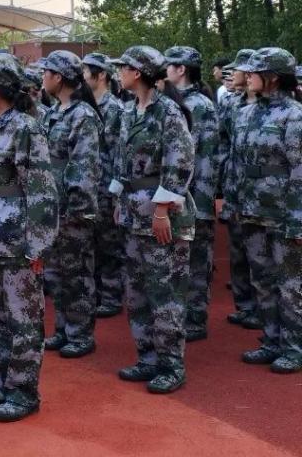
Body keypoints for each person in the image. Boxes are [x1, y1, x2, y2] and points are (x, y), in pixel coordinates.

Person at [0, 54, 58, 422]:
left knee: (23, 318)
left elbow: (41, 190)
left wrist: (37, 244)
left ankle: (23, 391)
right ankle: (3, 384)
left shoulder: (25, 128)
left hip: (17, 241)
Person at [111, 46, 195, 394]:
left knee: (165, 292)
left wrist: (162, 210)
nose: (119, 72)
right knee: (137, 291)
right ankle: (147, 358)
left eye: (124, 67)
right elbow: (120, 161)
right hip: (134, 212)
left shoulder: (167, 112)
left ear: (139, 73)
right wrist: (118, 198)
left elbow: (180, 163)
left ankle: (171, 365)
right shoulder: (130, 110)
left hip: (161, 215)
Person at [233, 48, 302, 374]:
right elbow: (237, 163)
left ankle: (294, 347)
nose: (247, 76)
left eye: (254, 71)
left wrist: (298, 220)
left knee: (290, 283)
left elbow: (299, 170)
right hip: (252, 210)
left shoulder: (294, 116)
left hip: (284, 214)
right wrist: (234, 202)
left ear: (273, 77)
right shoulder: (245, 113)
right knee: (262, 279)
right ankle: (271, 340)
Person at [41, 50, 102, 359]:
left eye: (46, 72)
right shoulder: (54, 113)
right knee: (57, 274)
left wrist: (76, 209)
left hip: (73, 210)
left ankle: (80, 334)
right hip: (53, 207)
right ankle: (64, 328)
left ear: (59, 77)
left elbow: (84, 167)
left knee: (76, 274)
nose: (42, 77)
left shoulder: (82, 116)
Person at [165, 47, 220, 342]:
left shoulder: (199, 105)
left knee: (197, 259)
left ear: (181, 69)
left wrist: (202, 204)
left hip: (196, 193)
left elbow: (204, 157)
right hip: (180, 193)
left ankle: (196, 317)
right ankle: (179, 314)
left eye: (169, 65)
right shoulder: (174, 101)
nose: (165, 70)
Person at [220, 49, 261, 330]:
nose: (231, 73)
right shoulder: (231, 103)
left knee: (261, 255)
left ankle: (262, 309)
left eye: (237, 69)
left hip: (262, 193)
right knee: (238, 249)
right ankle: (245, 305)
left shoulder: (280, 107)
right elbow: (222, 140)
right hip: (235, 185)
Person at [82, 52, 126, 317]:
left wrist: (116, 193)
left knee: (109, 245)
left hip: (107, 188)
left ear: (100, 76)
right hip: (90, 187)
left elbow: (120, 153)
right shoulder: (87, 107)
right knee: (92, 244)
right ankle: (97, 292)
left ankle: (111, 295)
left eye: (86, 72)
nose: (82, 77)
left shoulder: (115, 109)